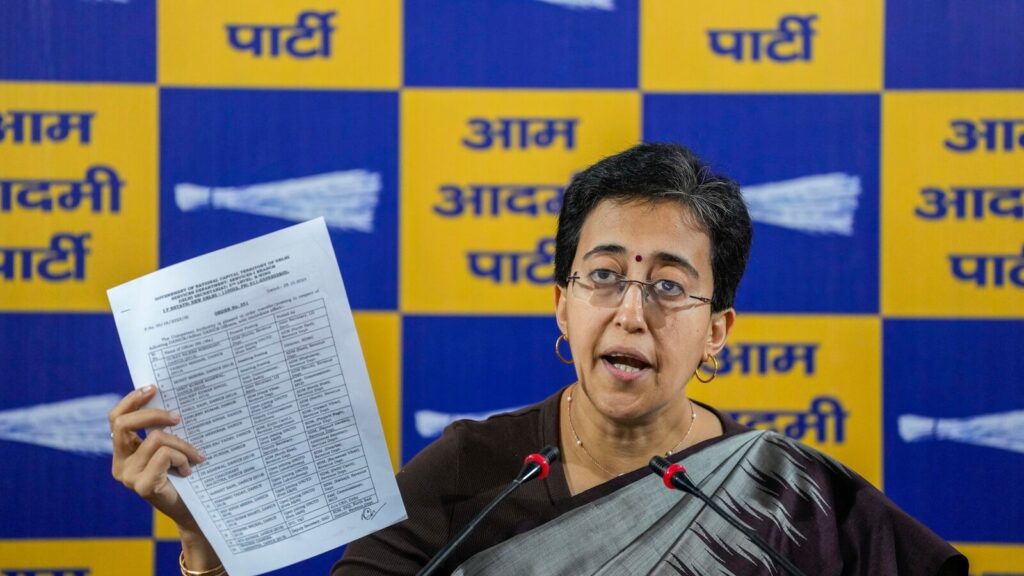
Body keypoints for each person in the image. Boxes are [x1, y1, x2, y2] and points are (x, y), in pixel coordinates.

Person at [110, 143, 968, 575]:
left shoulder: (793, 497)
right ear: (563, 305)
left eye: (670, 286)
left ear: (718, 331)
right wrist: (206, 546)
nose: (631, 312)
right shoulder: (470, 473)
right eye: (604, 277)